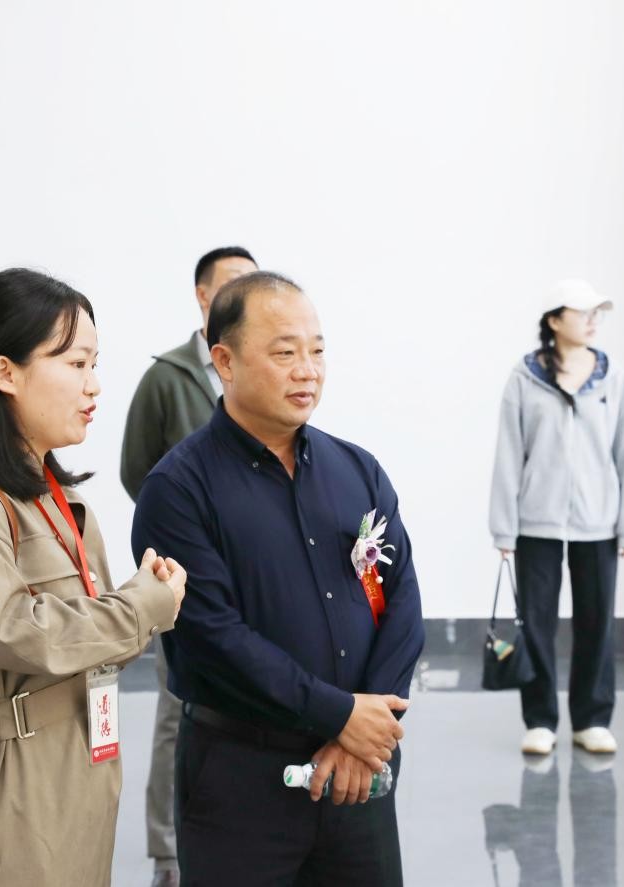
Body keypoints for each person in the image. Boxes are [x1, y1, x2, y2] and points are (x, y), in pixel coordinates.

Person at [131, 271, 424, 886]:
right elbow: (213, 638)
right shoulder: (178, 489)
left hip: (357, 779)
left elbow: (401, 600)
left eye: (317, 351)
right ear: (225, 361)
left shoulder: (358, 470)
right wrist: (340, 715)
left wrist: (363, 730)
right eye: (285, 353)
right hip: (240, 783)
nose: (307, 371)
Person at [0, 268, 187, 887]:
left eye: (94, 364)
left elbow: (86, 633)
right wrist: (142, 606)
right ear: (5, 373)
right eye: (76, 364)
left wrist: (141, 600)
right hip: (2, 790)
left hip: (66, 781)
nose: (94, 385)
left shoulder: (53, 497)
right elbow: (7, 630)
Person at [119, 245, 257, 887]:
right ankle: (167, 850)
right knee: (178, 709)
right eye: (234, 282)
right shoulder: (167, 377)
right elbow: (137, 471)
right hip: (182, 579)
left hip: (250, 574)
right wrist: (181, 535)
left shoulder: (257, 370)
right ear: (203, 296)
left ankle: (238, 833)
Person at [488, 278, 624, 757]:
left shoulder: (613, 378)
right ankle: (540, 720)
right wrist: (503, 527)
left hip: (599, 523)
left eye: (598, 312)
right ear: (555, 320)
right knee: (536, 624)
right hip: (536, 523)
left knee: (597, 623)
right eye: (583, 312)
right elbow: (509, 454)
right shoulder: (524, 378)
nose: (593, 320)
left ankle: (592, 720)